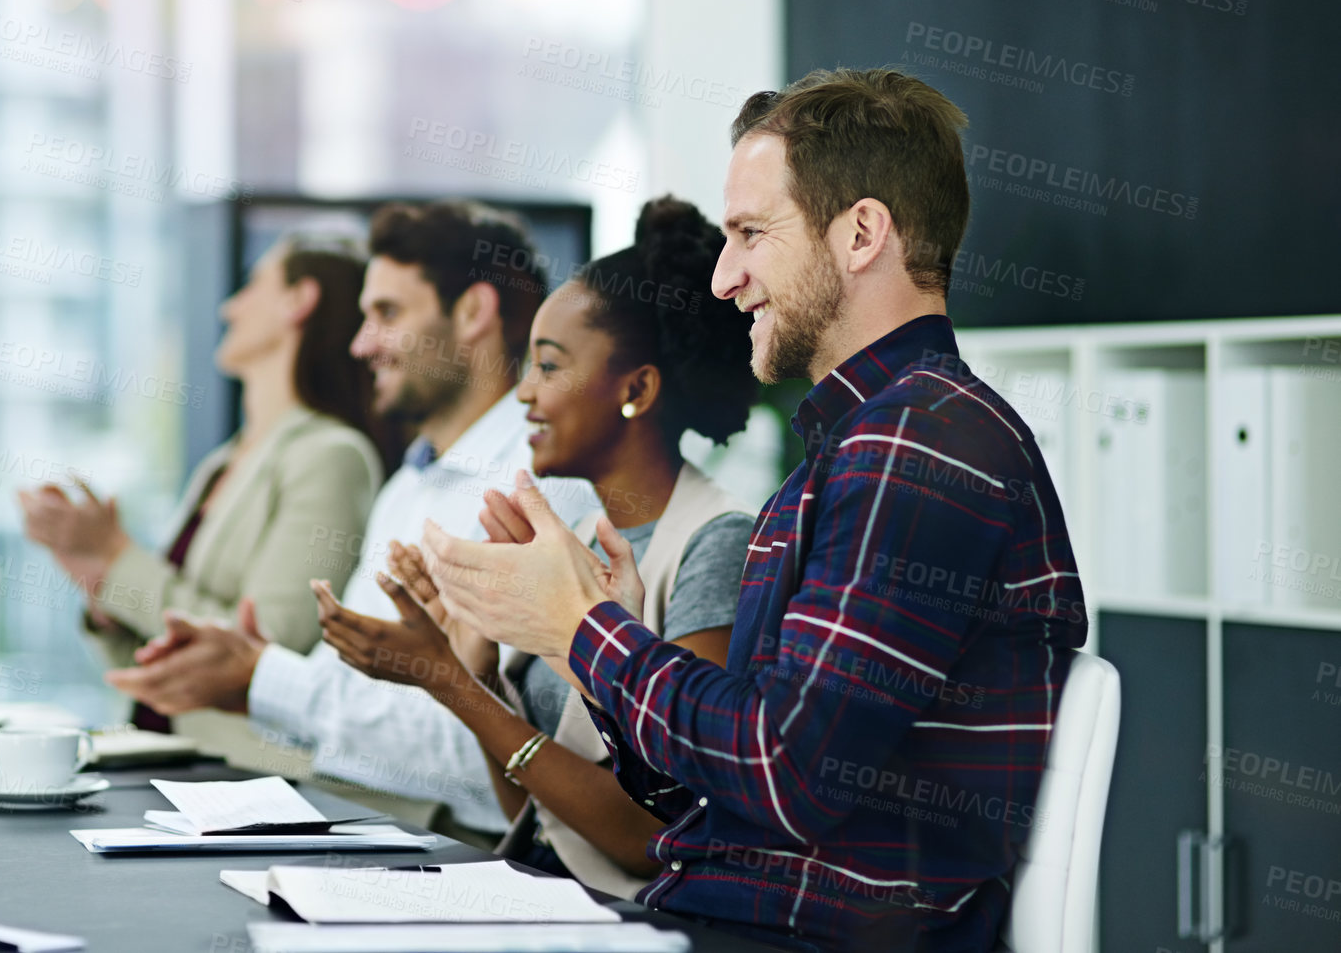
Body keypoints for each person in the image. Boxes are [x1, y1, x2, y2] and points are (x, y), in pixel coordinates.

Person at [421, 69, 1088, 952]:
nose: (726, 277)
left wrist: (585, 628)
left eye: (750, 233)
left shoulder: (915, 447)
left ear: (860, 234)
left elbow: (783, 775)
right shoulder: (861, 446)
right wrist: (596, 638)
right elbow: (720, 788)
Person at [107, 201, 599, 840]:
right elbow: (360, 700)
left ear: (474, 312)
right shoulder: (407, 487)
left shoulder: (537, 491)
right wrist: (248, 671)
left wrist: (265, 678)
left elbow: (485, 755)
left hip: (447, 843)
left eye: (388, 314)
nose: (361, 343)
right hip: (358, 818)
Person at [311, 196, 759, 898]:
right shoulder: (577, 537)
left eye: (547, 367)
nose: (522, 392)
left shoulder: (716, 543)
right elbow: (537, 814)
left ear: (635, 389)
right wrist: (476, 663)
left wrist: (452, 686)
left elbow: (655, 837)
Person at [18, 239, 385, 728]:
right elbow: (159, 666)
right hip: (166, 753)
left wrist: (116, 556)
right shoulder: (223, 463)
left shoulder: (332, 457)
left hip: (235, 781)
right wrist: (100, 585)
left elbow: (263, 650)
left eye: (254, 285)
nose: (229, 306)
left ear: (299, 300)